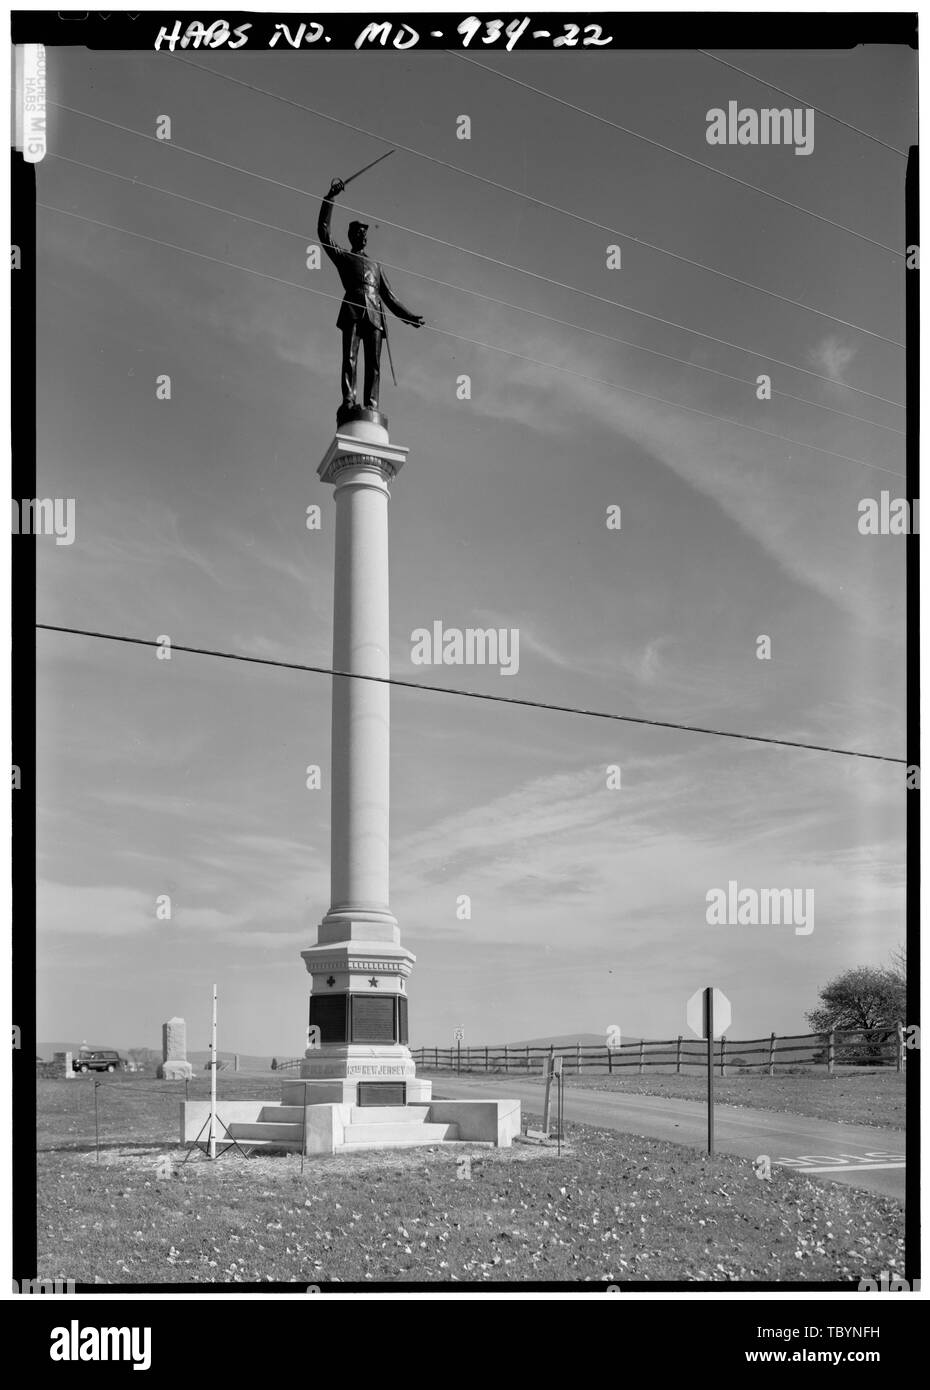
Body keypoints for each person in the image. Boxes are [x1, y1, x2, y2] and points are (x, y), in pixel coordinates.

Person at [318, 178, 425, 414]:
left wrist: (408, 317)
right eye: (359, 233)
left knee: (374, 364)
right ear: (352, 236)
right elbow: (323, 234)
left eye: (365, 233)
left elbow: (390, 296)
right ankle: (349, 400)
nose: (363, 236)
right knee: (350, 358)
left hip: (375, 314)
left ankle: (372, 405)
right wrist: (330, 198)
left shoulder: (376, 265)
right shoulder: (344, 258)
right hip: (353, 310)